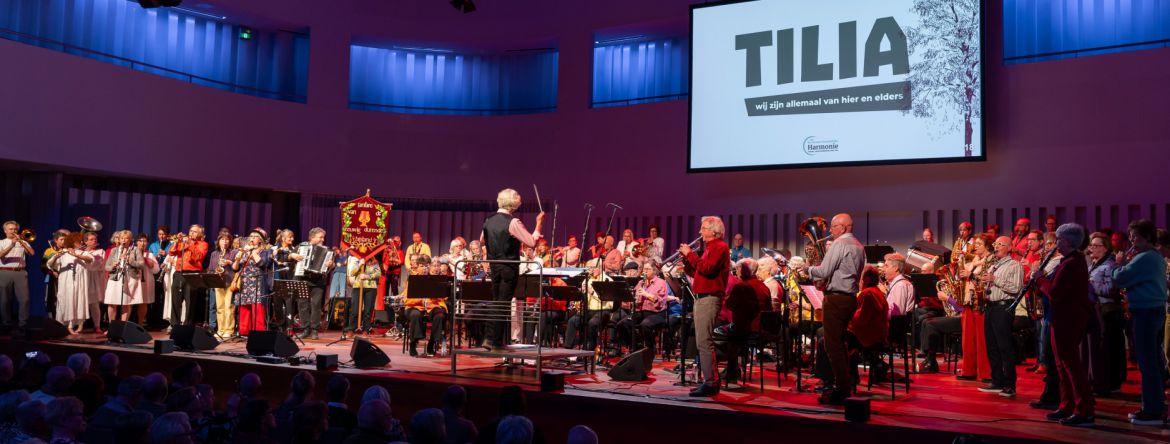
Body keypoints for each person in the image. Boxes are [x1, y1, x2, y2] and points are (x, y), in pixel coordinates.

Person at [799, 214, 865, 405]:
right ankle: (845, 384)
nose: (830, 230)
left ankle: (841, 389)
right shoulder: (859, 245)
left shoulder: (839, 244)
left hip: (836, 299)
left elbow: (824, 271)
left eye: (834, 226)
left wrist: (808, 269)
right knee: (840, 344)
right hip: (849, 298)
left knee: (832, 346)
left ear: (843, 228)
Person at [1035, 224, 1094, 426]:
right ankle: (1067, 405)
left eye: (1058, 240)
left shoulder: (1072, 263)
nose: (1055, 243)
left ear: (1067, 242)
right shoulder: (1069, 260)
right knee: (1062, 365)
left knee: (1071, 366)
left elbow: (1056, 293)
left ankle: (1083, 410)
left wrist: (1040, 279)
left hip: (1067, 319)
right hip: (1060, 318)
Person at [1111, 219, 1168, 426]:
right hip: (1153, 311)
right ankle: (1156, 406)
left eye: (1136, 236)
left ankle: (1152, 410)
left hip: (1145, 312)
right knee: (1153, 360)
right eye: (1131, 236)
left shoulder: (1144, 258)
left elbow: (1120, 278)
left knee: (1147, 362)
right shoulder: (1154, 257)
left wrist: (1118, 264)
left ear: (1148, 237)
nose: (1132, 241)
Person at [480, 188, 544, 351]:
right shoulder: (513, 222)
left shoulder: (488, 220)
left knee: (497, 302)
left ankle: (492, 339)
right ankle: (492, 340)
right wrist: (539, 224)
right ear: (514, 203)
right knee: (503, 303)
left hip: (495, 266)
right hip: (508, 267)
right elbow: (531, 242)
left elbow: (482, 240)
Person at [678, 216, 731, 397]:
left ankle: (710, 382)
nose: (700, 232)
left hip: (709, 298)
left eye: (703, 228)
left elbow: (707, 268)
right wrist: (686, 261)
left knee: (704, 342)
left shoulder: (719, 247)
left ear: (713, 230)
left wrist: (690, 254)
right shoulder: (710, 248)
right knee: (703, 341)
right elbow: (699, 271)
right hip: (702, 297)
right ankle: (710, 381)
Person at [976, 236, 1025, 398]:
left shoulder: (1014, 265)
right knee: (992, 347)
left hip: (1003, 308)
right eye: (995, 244)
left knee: (1005, 347)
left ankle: (1010, 385)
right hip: (990, 307)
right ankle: (997, 381)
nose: (996, 246)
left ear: (1009, 248)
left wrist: (994, 280)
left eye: (1000, 244)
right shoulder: (993, 265)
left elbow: (1016, 288)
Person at [1085, 232, 1124, 395]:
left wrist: (1090, 285)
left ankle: (1110, 384)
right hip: (1097, 311)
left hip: (1108, 312)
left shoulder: (1110, 266)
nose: (1092, 248)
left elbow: (1111, 289)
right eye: (1091, 245)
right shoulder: (1092, 265)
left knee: (1109, 350)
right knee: (1099, 350)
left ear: (1105, 248)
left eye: (1096, 245)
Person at [48, 233, 95, 335]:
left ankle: (80, 324)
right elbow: (49, 264)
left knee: (80, 300)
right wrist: (56, 256)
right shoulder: (63, 253)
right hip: (66, 282)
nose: (81, 243)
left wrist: (76, 255)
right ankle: (68, 325)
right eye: (79, 241)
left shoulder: (83, 253)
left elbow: (90, 259)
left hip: (80, 282)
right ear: (73, 242)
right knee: (68, 301)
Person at [618, 261, 668, 356]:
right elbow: (634, 300)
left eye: (648, 269)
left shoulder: (661, 283)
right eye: (644, 269)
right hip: (641, 312)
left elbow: (660, 302)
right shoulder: (641, 282)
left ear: (654, 271)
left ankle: (650, 348)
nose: (645, 271)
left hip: (656, 314)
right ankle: (638, 345)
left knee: (645, 324)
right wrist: (633, 299)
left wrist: (646, 294)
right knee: (622, 324)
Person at [294, 227, 333, 340]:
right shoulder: (301, 246)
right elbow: (290, 255)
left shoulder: (327, 250)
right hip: (302, 278)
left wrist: (331, 264)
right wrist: (293, 256)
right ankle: (305, 329)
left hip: (318, 281)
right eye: (320, 237)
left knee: (316, 306)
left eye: (323, 237)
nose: (323, 239)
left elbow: (331, 265)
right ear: (312, 237)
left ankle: (315, 330)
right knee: (302, 305)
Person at [233, 229, 273, 336]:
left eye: (255, 236)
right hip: (244, 282)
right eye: (251, 236)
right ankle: (244, 332)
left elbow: (263, 264)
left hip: (258, 282)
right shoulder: (244, 251)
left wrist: (253, 252)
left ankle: (258, 334)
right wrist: (238, 258)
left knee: (257, 308)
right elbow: (235, 268)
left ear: (260, 240)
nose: (252, 238)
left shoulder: (265, 252)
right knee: (244, 307)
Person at [168, 225, 208, 328]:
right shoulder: (182, 242)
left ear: (200, 234)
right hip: (178, 273)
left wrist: (190, 244)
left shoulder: (203, 244)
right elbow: (171, 252)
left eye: (195, 232)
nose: (191, 233)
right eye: (191, 231)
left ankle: (187, 326)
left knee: (190, 302)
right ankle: (174, 326)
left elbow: (198, 257)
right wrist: (177, 242)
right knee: (175, 301)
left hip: (192, 275)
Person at [0, 221, 35, 335]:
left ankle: (22, 325)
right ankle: (6, 324)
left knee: (24, 300)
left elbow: (31, 253)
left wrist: (21, 242)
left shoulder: (23, 241)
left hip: (20, 272)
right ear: (5, 231)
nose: (13, 231)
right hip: (5, 272)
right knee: (5, 300)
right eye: (10, 229)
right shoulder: (1, 242)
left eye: (15, 229)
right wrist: (12, 245)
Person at [104, 230, 146, 324]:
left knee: (126, 304)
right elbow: (107, 267)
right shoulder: (114, 250)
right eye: (122, 238)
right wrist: (113, 266)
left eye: (126, 238)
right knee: (112, 302)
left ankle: (123, 326)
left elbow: (141, 265)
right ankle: (112, 326)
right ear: (119, 239)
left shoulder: (135, 250)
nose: (124, 240)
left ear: (130, 239)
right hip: (115, 278)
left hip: (129, 278)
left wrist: (130, 260)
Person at [207, 233, 238, 340]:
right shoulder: (214, 254)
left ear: (230, 242)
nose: (224, 242)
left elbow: (236, 268)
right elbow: (210, 268)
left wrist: (229, 262)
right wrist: (215, 271)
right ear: (218, 241)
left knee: (229, 307)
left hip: (229, 282)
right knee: (219, 308)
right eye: (222, 240)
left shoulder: (233, 252)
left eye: (227, 240)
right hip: (217, 282)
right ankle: (220, 329)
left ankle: (229, 330)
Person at [344, 255, 381, 338]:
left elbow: (378, 274)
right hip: (358, 286)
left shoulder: (374, 261)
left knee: (368, 310)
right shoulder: (356, 260)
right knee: (355, 309)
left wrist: (367, 276)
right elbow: (352, 273)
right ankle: (351, 330)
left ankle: (366, 330)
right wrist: (360, 264)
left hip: (371, 287)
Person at [881, 253, 916, 317]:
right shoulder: (899, 284)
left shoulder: (900, 285)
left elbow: (897, 314)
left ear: (896, 268)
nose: (883, 269)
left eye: (886, 266)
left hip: (896, 325)